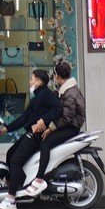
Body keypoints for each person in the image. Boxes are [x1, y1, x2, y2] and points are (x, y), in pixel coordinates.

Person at [0, 69, 61, 209]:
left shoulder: (47, 95)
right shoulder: (36, 98)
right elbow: (24, 118)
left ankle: (11, 200)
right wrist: (5, 129)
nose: (30, 81)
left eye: (32, 78)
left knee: (16, 160)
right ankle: (14, 185)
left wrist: (44, 120)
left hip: (37, 136)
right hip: (30, 132)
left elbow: (57, 109)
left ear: (38, 82)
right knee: (11, 152)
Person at [22, 59, 86, 199]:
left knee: (46, 143)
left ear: (58, 76)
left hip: (71, 128)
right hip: (68, 125)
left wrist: (50, 128)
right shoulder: (67, 90)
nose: (53, 79)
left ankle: (39, 179)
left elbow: (67, 116)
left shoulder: (69, 93)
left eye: (54, 76)